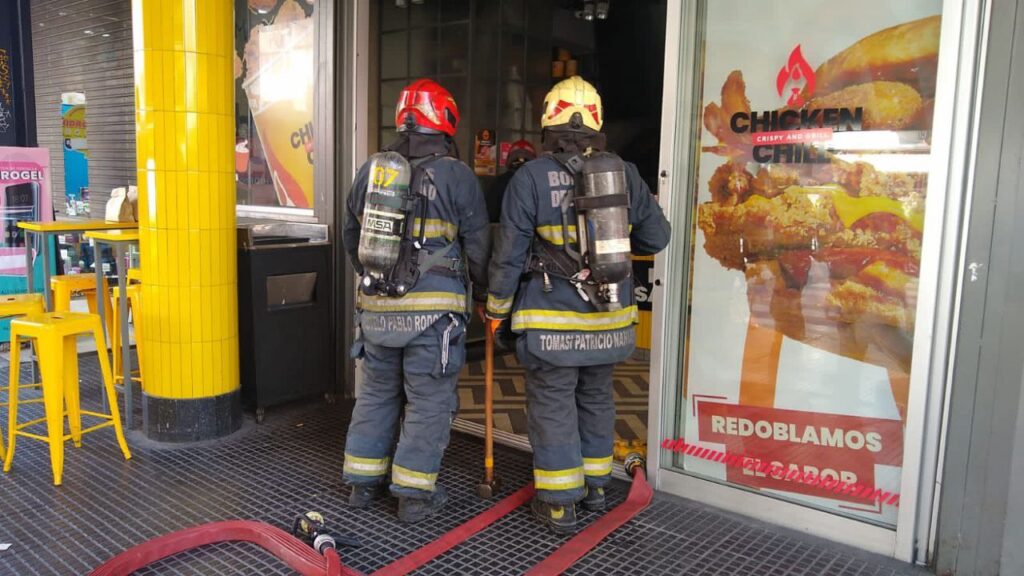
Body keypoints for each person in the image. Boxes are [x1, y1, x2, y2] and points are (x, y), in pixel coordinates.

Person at [486, 76, 671, 534]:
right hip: (610, 323)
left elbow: (508, 254)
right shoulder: (624, 173)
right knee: (596, 399)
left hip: (551, 325)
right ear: (596, 123)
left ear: (549, 121)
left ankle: (557, 503)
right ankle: (595, 489)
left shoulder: (528, 177)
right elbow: (657, 237)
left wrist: (495, 310)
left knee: (552, 406)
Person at [341, 78, 491, 523]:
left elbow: (352, 233)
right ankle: (413, 495)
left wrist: (371, 276)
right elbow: (478, 242)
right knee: (429, 402)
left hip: (377, 308)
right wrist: (483, 295)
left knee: (376, 395)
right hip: (433, 316)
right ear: (445, 120)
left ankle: (361, 484)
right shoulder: (458, 175)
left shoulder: (373, 169)